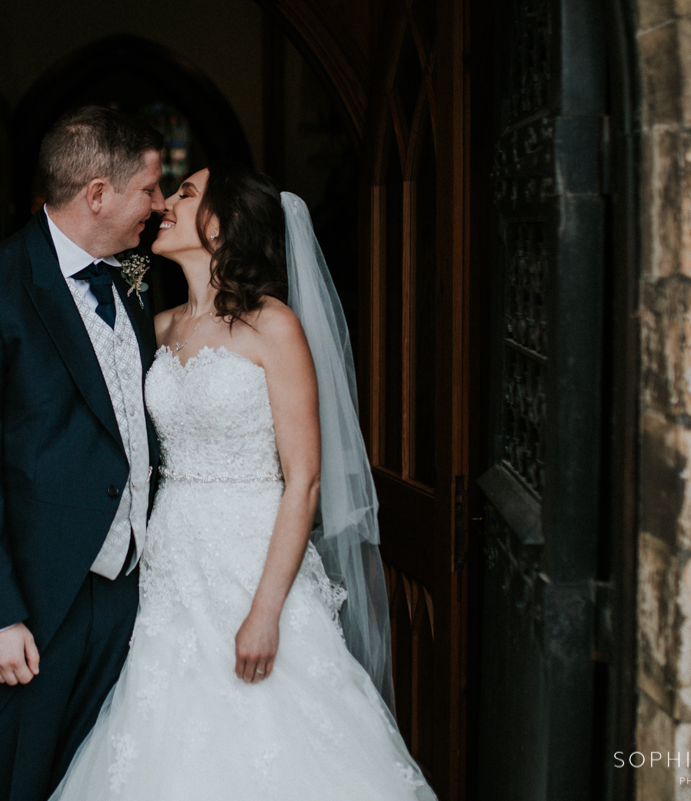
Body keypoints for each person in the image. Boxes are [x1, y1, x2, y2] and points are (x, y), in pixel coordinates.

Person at [47, 163, 438, 800]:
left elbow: (305, 480)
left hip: (250, 560)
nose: (165, 203)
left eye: (185, 193)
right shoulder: (160, 325)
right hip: (170, 564)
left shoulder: (272, 325)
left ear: (222, 226)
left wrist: (265, 612)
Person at [0, 105, 165, 801]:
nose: (157, 204)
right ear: (97, 193)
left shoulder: (134, 282)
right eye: (148, 189)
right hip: (33, 608)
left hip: (128, 601)